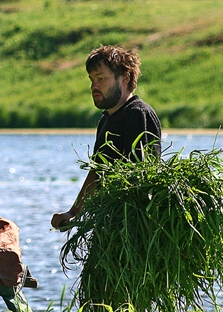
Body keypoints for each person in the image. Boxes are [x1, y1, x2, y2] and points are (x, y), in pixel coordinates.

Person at [51, 45, 161, 230]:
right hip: (112, 224)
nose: (94, 86)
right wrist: (73, 213)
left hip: (136, 226)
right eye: (92, 80)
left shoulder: (137, 114)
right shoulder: (107, 119)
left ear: (125, 78)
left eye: (101, 78)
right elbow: (98, 172)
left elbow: (141, 177)